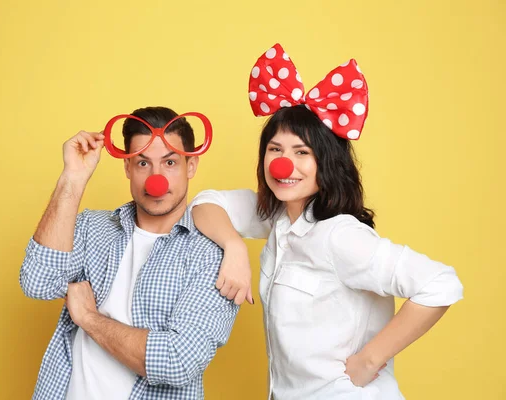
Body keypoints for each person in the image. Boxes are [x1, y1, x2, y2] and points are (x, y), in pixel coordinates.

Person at [190, 44, 464, 399]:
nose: (283, 164)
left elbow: (440, 283)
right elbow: (205, 203)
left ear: (327, 162)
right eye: (275, 150)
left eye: (302, 152)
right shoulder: (277, 216)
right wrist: (233, 246)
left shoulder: (340, 235)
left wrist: (369, 360)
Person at [19, 106, 239, 400]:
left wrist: (88, 318)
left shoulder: (209, 255)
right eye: (142, 163)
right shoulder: (92, 228)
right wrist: (73, 177)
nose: (156, 179)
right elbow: (38, 281)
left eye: (170, 162)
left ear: (191, 166)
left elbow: (177, 362)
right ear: (127, 168)